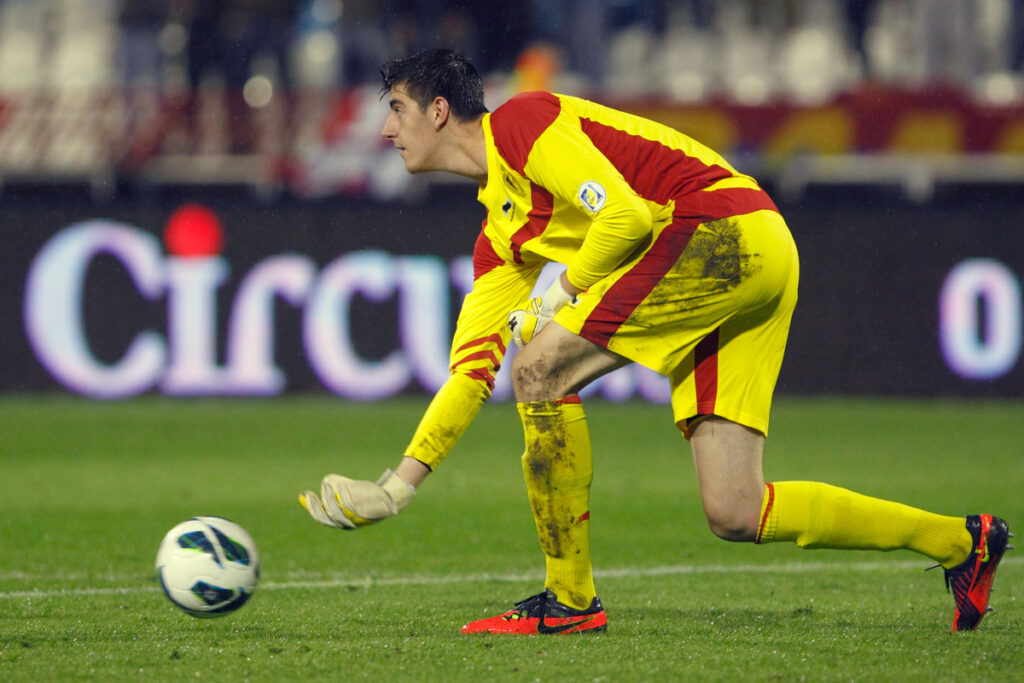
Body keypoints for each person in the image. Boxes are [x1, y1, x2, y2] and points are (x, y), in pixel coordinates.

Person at [299, 48, 1011, 635]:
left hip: (720, 230)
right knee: (735, 508)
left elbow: (628, 220)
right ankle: (962, 541)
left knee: (542, 367)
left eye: (394, 108)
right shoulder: (501, 237)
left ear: (438, 109)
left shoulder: (522, 122)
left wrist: (559, 291)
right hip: (755, 251)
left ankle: (570, 599)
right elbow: (468, 374)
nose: (386, 131)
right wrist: (395, 487)